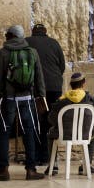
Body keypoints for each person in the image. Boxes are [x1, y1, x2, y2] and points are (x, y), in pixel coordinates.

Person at [0, 25, 46, 182]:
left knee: (4, 134)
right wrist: (41, 97)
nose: (5, 37)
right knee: (29, 133)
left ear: (11, 36)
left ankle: (3, 170)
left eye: (7, 35)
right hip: (28, 99)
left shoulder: (4, 53)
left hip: (9, 100)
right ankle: (31, 170)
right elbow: (39, 77)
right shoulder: (32, 52)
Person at [26, 23, 65, 166]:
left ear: (33, 32)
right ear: (46, 32)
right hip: (54, 87)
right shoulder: (54, 43)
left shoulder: (27, 42)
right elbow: (62, 66)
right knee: (51, 122)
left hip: (36, 89)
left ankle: (36, 156)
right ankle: (50, 156)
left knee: (35, 121)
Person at [47, 72, 94, 175]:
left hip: (63, 135)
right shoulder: (91, 100)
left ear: (71, 85)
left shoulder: (61, 100)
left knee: (50, 134)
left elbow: (51, 120)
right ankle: (86, 165)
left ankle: (53, 166)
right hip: (84, 134)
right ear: (83, 84)